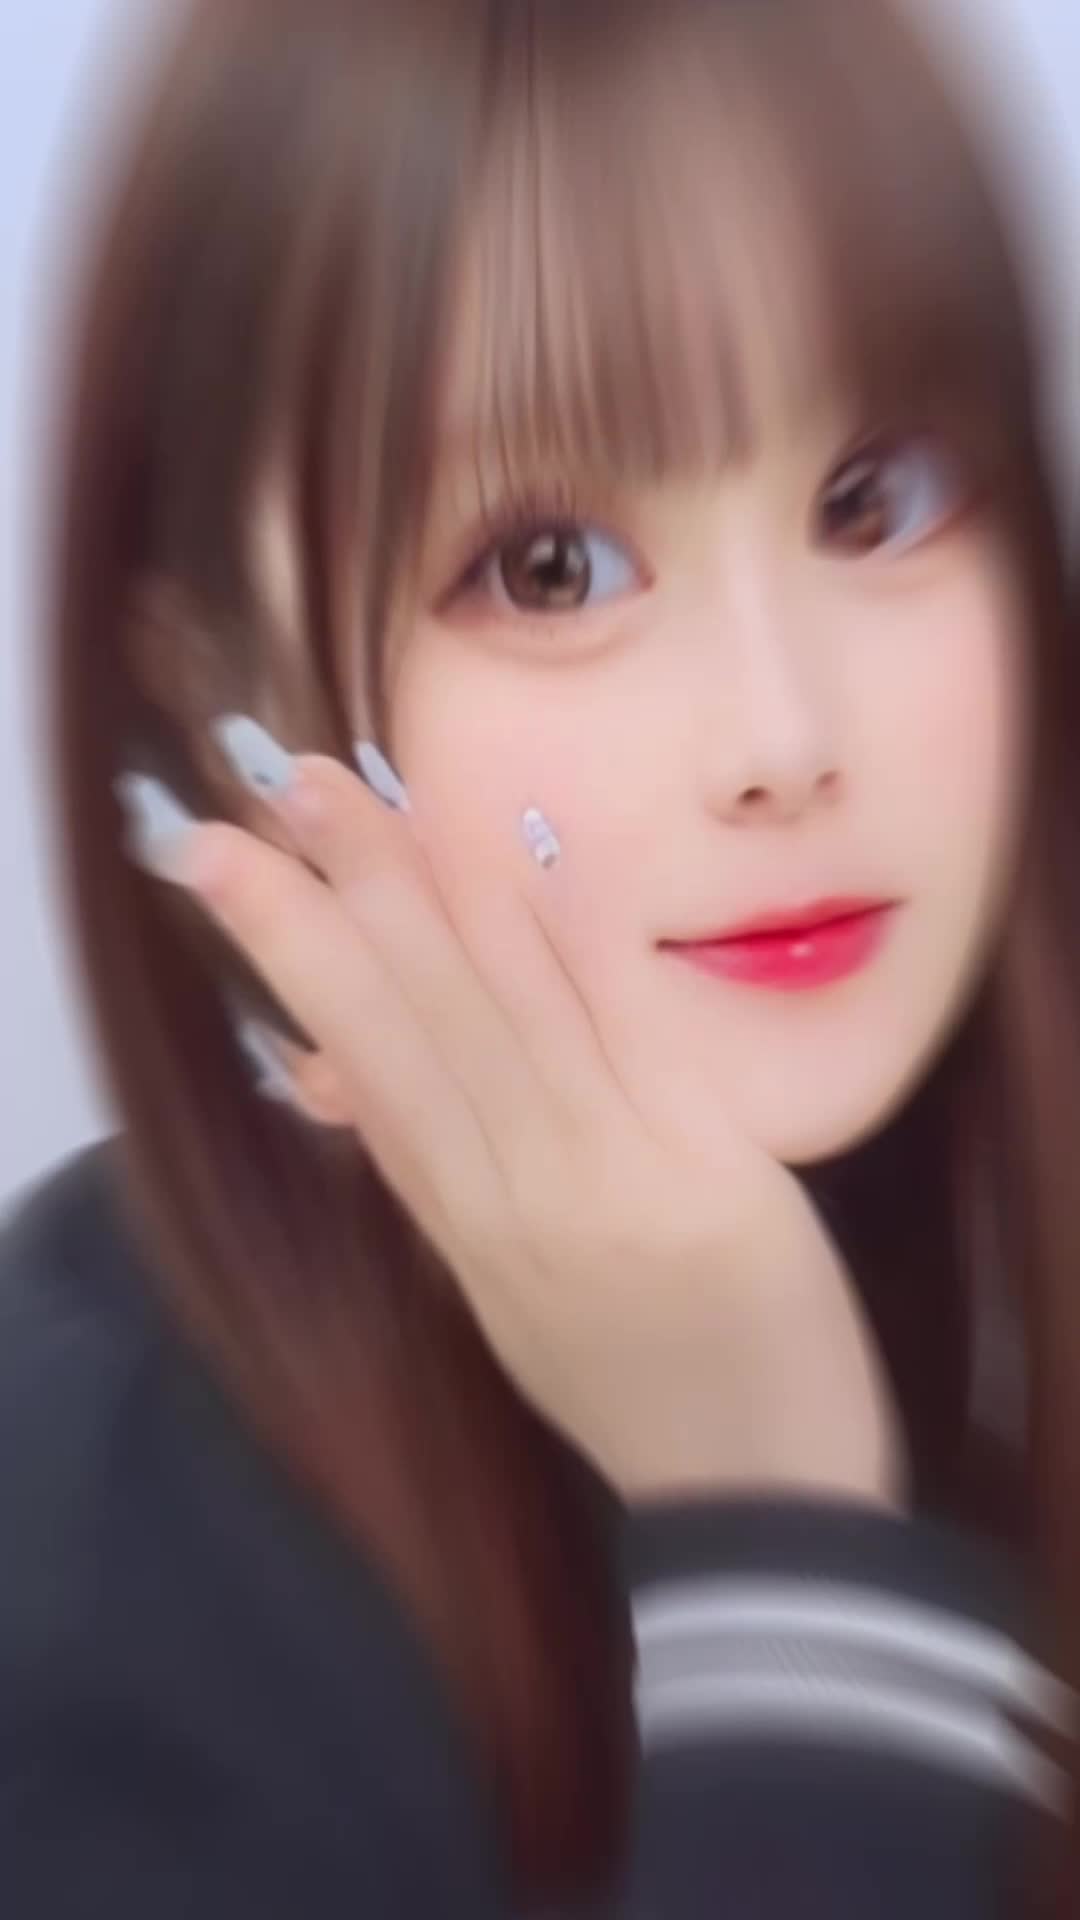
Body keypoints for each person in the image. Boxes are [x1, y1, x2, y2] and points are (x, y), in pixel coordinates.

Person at [3, 0, 1079, 1912]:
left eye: (875, 500)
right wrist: (776, 1515)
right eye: (550, 566)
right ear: (217, 684)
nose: (782, 737)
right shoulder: (86, 1567)